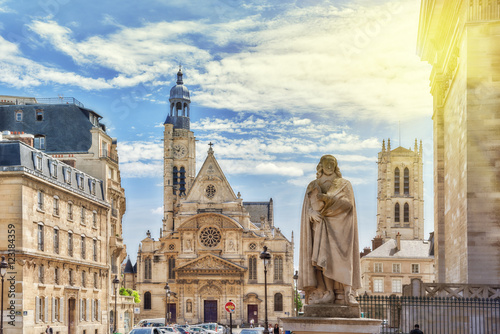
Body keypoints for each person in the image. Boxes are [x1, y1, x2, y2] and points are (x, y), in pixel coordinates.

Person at [298, 155, 362, 305]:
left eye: (332, 163)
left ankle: (347, 293)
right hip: (320, 225)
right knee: (322, 259)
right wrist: (311, 213)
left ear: (336, 166)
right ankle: (328, 292)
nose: (329, 165)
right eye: (326, 163)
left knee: (344, 259)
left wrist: (329, 200)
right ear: (320, 165)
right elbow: (307, 208)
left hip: (341, 227)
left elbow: (349, 205)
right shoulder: (312, 185)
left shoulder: (344, 184)